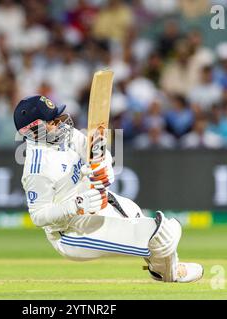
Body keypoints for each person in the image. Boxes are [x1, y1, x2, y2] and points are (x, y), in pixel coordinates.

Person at [13, 95, 203, 283]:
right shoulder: (37, 169)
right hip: (72, 233)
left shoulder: (65, 135)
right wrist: (76, 205)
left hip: (96, 203)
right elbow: (38, 216)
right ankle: (167, 270)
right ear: (34, 130)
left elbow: (94, 150)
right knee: (162, 235)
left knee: (138, 215)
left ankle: (168, 271)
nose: (60, 123)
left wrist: (104, 164)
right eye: (53, 121)